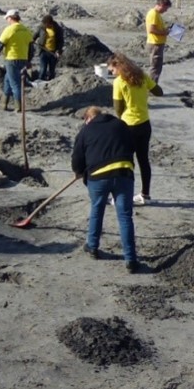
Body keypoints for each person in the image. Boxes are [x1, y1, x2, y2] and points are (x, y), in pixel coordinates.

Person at [71, 106, 139, 273]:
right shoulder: (121, 124)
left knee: (97, 209)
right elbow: (132, 146)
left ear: (88, 118)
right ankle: (130, 259)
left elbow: (77, 157)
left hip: (98, 176)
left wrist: (79, 172)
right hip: (124, 172)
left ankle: (92, 246)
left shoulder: (86, 130)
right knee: (125, 216)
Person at [109, 52, 163, 206]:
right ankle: (145, 194)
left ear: (118, 67)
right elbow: (159, 92)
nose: (112, 73)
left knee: (127, 161)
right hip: (144, 124)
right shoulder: (142, 76)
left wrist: (121, 119)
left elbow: (118, 107)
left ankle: (124, 195)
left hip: (128, 125)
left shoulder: (119, 82)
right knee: (143, 159)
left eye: (112, 70)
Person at [0, 9, 33, 111]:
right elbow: (31, 47)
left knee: (15, 84)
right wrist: (29, 61)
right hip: (23, 59)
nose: (6, 20)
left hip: (11, 59)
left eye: (7, 18)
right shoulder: (26, 30)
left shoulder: (9, 30)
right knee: (8, 80)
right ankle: (4, 104)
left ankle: (18, 107)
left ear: (11, 18)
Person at [145, 0, 173, 83]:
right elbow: (151, 29)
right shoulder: (153, 14)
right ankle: (152, 88)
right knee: (155, 67)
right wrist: (164, 32)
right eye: (166, 8)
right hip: (155, 44)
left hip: (157, 44)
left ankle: (153, 86)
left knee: (157, 67)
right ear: (161, 5)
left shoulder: (156, 14)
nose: (166, 10)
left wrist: (166, 30)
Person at [37, 13, 64, 81]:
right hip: (43, 51)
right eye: (44, 24)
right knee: (43, 69)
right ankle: (41, 81)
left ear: (50, 23)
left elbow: (61, 41)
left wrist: (58, 51)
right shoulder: (41, 28)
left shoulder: (57, 29)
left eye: (46, 24)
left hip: (53, 52)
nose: (45, 25)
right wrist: (31, 40)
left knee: (52, 70)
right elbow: (35, 36)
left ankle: (51, 83)